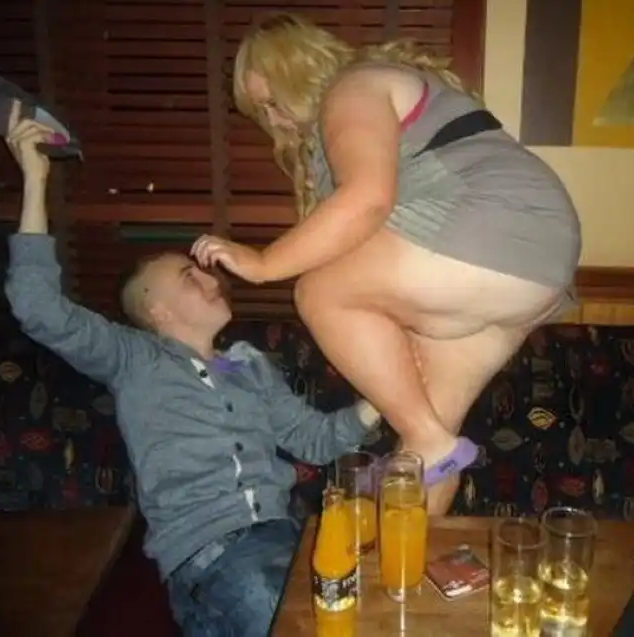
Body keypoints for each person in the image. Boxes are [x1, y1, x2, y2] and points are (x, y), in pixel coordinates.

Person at [3, 102, 381, 637]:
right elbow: (38, 307)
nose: (210, 276)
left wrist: (382, 397)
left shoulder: (252, 366)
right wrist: (35, 178)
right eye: (188, 275)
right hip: (215, 558)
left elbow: (315, 441)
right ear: (157, 311)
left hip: (292, 543)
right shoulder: (135, 358)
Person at [190, 14, 582, 513]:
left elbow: (367, 200)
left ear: (298, 68)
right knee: (423, 453)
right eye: (262, 113)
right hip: (528, 266)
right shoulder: (347, 119)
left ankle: (429, 443)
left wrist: (264, 263)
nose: (275, 121)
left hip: (497, 224)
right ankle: (408, 557)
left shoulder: (353, 87)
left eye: (273, 101)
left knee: (319, 291)